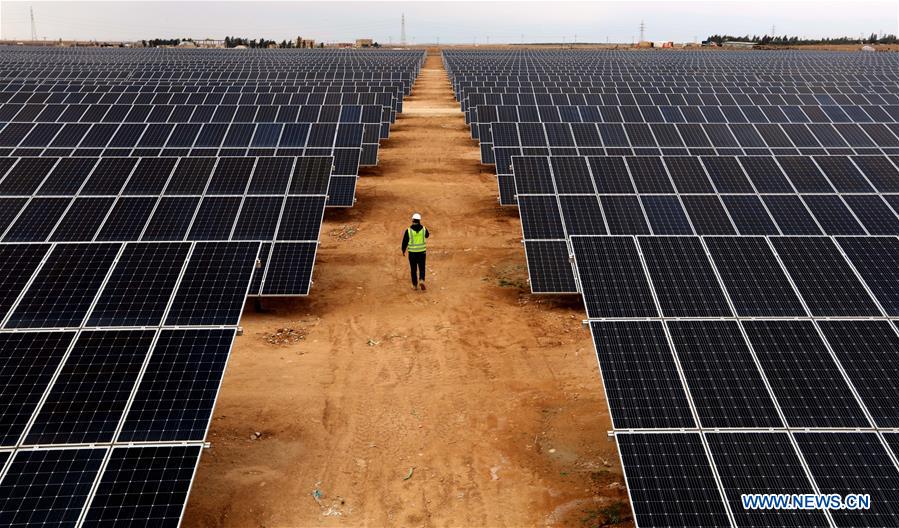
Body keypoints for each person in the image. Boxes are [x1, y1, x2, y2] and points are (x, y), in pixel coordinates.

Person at [401, 213, 429, 290]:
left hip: (412, 253)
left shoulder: (408, 230)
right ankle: (422, 280)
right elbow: (427, 235)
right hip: (422, 252)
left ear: (412, 220)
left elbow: (404, 241)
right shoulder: (424, 229)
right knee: (422, 267)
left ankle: (414, 285)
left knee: (413, 269)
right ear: (419, 220)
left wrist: (403, 250)